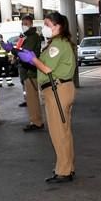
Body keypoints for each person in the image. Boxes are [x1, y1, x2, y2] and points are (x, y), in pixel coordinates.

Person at [14, 12, 76, 183]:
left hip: (57, 90)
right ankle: (68, 167)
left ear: (58, 26)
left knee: (58, 132)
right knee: (64, 131)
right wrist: (32, 58)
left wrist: (33, 60)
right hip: (61, 88)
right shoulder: (58, 43)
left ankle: (64, 170)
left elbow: (47, 68)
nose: (45, 28)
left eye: (48, 25)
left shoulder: (57, 45)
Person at [18, 14, 44, 131]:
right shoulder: (26, 36)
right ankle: (35, 120)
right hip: (28, 71)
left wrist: (14, 51)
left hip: (30, 71)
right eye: (23, 24)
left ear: (31, 24)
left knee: (32, 98)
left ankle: (36, 122)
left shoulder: (32, 37)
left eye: (26, 24)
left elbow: (26, 53)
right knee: (30, 98)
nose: (24, 26)